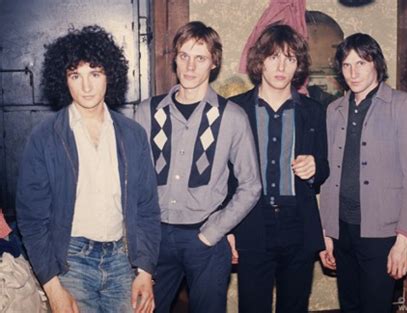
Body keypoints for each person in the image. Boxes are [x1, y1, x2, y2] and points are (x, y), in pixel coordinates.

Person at [15, 25, 161, 313]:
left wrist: (145, 271)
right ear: (64, 80)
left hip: (123, 258)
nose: (86, 86)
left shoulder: (132, 135)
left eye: (94, 73)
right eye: (75, 76)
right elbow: (32, 220)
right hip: (70, 260)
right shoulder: (45, 137)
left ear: (110, 75)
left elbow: (147, 208)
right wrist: (52, 287)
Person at [134, 21, 261, 313]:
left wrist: (213, 231)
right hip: (154, 240)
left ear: (213, 63)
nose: (190, 66)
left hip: (204, 239)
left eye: (200, 58)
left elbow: (251, 185)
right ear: (175, 59)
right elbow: (132, 180)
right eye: (184, 56)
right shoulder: (146, 112)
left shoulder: (232, 117)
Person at [319, 33, 407, 313]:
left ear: (376, 64)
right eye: (346, 65)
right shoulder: (333, 110)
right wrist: (327, 231)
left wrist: (404, 240)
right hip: (342, 229)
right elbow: (329, 176)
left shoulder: (403, 106)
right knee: (350, 305)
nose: (353, 72)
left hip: (383, 234)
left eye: (361, 63)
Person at [228, 24, 329, 313]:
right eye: (273, 57)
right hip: (250, 222)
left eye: (290, 58)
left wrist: (315, 167)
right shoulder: (235, 109)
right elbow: (224, 176)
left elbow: (324, 169)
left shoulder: (313, 111)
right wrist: (228, 229)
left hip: (298, 224)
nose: (281, 66)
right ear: (260, 61)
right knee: (252, 306)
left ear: (298, 65)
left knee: (295, 307)